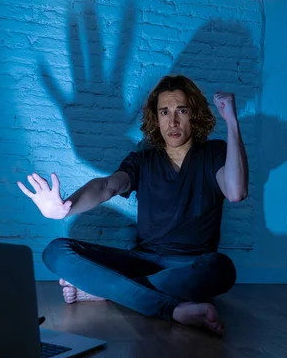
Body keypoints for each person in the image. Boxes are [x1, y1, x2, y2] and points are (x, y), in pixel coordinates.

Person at [17, 75, 248, 335]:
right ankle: (170, 308)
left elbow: (236, 192)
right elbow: (107, 187)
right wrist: (66, 206)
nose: (172, 121)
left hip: (193, 265)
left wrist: (232, 121)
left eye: (181, 111)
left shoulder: (215, 152)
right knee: (55, 251)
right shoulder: (143, 159)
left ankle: (102, 289)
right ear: (156, 118)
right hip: (141, 260)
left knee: (222, 269)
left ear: (193, 115)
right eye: (164, 112)